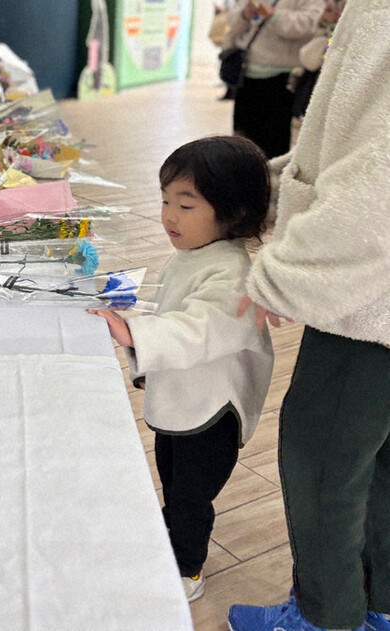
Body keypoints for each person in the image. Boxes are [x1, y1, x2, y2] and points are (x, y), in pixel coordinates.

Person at [228, 0, 390, 629]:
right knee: (377, 462)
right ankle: (377, 606)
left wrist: (281, 277)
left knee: (324, 463)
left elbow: (377, 188)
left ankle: (327, 619)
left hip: (369, 309)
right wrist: (272, 186)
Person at [89, 136, 274, 602]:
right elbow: (175, 311)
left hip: (211, 411)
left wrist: (136, 335)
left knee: (191, 495)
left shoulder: (233, 273)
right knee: (171, 476)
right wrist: (149, 356)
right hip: (182, 397)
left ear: (232, 213)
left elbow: (201, 329)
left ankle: (187, 569)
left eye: (186, 205)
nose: (169, 215)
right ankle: (170, 534)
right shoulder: (194, 254)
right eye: (166, 200)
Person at [224, 0, 321, 158]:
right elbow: (232, 23)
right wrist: (244, 14)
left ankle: (269, 180)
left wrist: (274, 15)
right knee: (241, 138)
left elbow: (311, 25)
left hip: (282, 77)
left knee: (273, 141)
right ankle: (239, 176)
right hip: (247, 73)